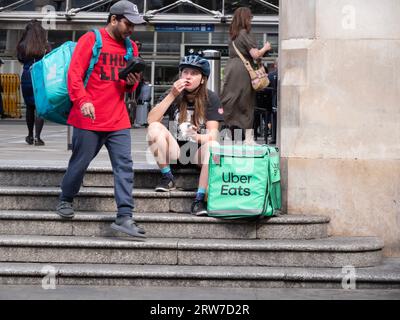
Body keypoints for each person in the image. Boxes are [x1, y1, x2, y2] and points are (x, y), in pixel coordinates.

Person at [55, 0, 146, 239]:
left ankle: (125, 216)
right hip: (88, 118)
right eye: (128, 24)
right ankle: (66, 197)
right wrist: (83, 101)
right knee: (80, 163)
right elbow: (74, 75)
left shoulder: (130, 48)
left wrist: (131, 83)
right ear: (113, 19)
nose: (131, 29)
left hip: (118, 119)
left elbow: (129, 87)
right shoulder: (91, 40)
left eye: (134, 25)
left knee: (124, 166)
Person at [147, 55, 223, 216]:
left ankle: (199, 200)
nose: (188, 76)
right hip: (174, 152)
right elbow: (151, 120)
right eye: (185, 72)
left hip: (197, 154)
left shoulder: (211, 98)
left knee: (214, 146)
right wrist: (172, 95)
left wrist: (196, 137)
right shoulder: (173, 94)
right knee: (154, 128)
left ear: (202, 79)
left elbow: (213, 135)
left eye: (194, 73)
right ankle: (167, 177)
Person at [220, 7, 272, 144]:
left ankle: (228, 135)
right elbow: (255, 54)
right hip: (243, 71)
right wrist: (265, 48)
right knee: (246, 102)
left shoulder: (233, 35)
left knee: (230, 101)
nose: (251, 20)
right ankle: (248, 139)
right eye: (250, 17)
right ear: (245, 18)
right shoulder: (245, 33)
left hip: (231, 69)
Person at [16, 19, 50, 146]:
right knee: (39, 108)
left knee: (29, 108)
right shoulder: (44, 46)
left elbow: (20, 58)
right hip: (39, 77)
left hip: (26, 76)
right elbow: (49, 60)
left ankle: (30, 135)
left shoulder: (22, 45)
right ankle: (38, 137)